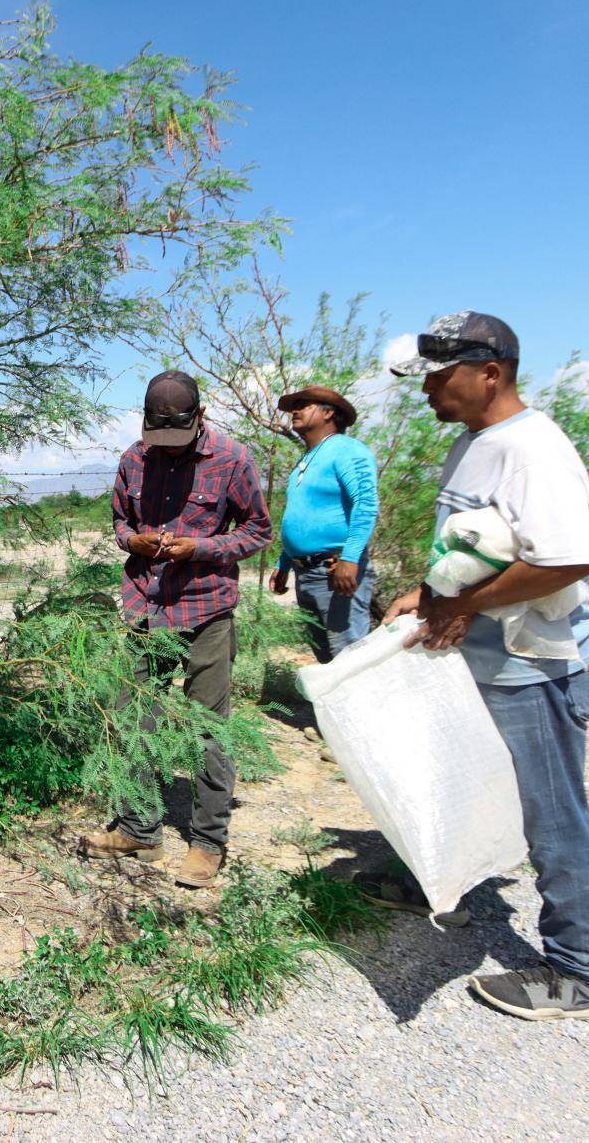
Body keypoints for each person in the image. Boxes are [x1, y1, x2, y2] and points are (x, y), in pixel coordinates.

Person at [381, 311, 589, 1022]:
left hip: (537, 669)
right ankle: (443, 889)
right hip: (486, 663)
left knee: (553, 816)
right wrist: (425, 595)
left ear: (491, 372)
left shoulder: (532, 448)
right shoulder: (473, 442)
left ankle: (581, 972)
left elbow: (568, 557)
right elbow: (469, 546)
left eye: (439, 375)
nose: (426, 390)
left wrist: (466, 608)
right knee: (463, 784)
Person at [80, 370, 272, 887]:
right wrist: (133, 541)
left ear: (199, 418)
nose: (165, 449)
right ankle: (140, 829)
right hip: (145, 607)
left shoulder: (232, 458)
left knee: (210, 728)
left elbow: (257, 530)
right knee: (131, 715)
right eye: (156, 438)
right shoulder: (132, 460)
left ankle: (208, 842)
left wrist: (201, 547)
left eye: (176, 439)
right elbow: (120, 522)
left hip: (206, 609)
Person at [268, 386, 379, 663]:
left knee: (349, 662)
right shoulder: (306, 459)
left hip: (335, 572)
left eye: (305, 405)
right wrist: (284, 563)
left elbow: (365, 503)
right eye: (296, 405)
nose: (296, 410)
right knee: (328, 661)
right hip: (306, 574)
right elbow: (303, 516)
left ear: (329, 413)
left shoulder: (346, 449)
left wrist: (351, 558)